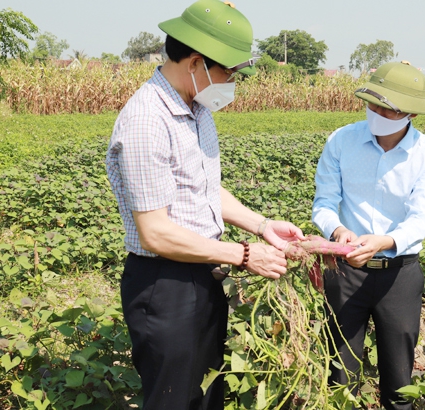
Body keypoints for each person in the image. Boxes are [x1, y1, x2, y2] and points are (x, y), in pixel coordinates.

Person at [105, 1, 304, 408]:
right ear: (195, 62)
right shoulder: (147, 119)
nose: (232, 81)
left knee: (207, 392)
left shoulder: (196, 109)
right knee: (174, 399)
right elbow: (155, 232)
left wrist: (261, 225)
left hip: (204, 272)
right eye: (228, 72)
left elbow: (203, 188)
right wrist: (245, 255)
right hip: (165, 284)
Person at [312, 61, 425, 410]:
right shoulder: (341, 141)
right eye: (373, 104)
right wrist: (339, 231)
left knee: (399, 377)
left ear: (410, 114)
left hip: (399, 274)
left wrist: (384, 241)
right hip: (345, 272)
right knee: (340, 371)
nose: (378, 113)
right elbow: (324, 203)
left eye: (388, 108)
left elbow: (421, 218)